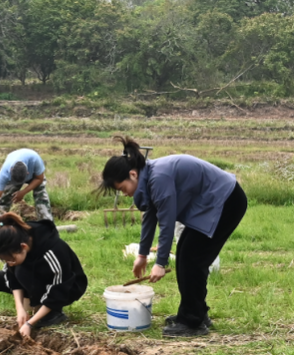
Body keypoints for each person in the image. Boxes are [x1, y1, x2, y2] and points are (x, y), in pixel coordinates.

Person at [99, 136, 248, 338]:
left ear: (133, 174)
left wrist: (160, 263)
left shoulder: (158, 177)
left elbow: (167, 222)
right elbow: (150, 217)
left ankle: (192, 321)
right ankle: (195, 313)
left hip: (226, 200)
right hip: (212, 203)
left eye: (122, 188)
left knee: (192, 257)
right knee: (188, 253)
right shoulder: (149, 177)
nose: (124, 194)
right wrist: (142, 256)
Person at [0, 213, 87, 337]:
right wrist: (20, 309)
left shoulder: (53, 251)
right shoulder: (16, 240)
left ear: (23, 247)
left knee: (21, 271)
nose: (9, 263)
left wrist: (29, 324)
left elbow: (58, 290)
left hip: (66, 287)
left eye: (11, 259)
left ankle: (53, 312)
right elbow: (12, 276)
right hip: (33, 280)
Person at [0, 148, 52, 221]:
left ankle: (46, 222)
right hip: (13, 166)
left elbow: (39, 179)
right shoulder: (4, 173)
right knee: (4, 198)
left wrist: (23, 192)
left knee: (41, 195)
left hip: (35, 176)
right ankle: (0, 221)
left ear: (27, 173)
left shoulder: (35, 160)